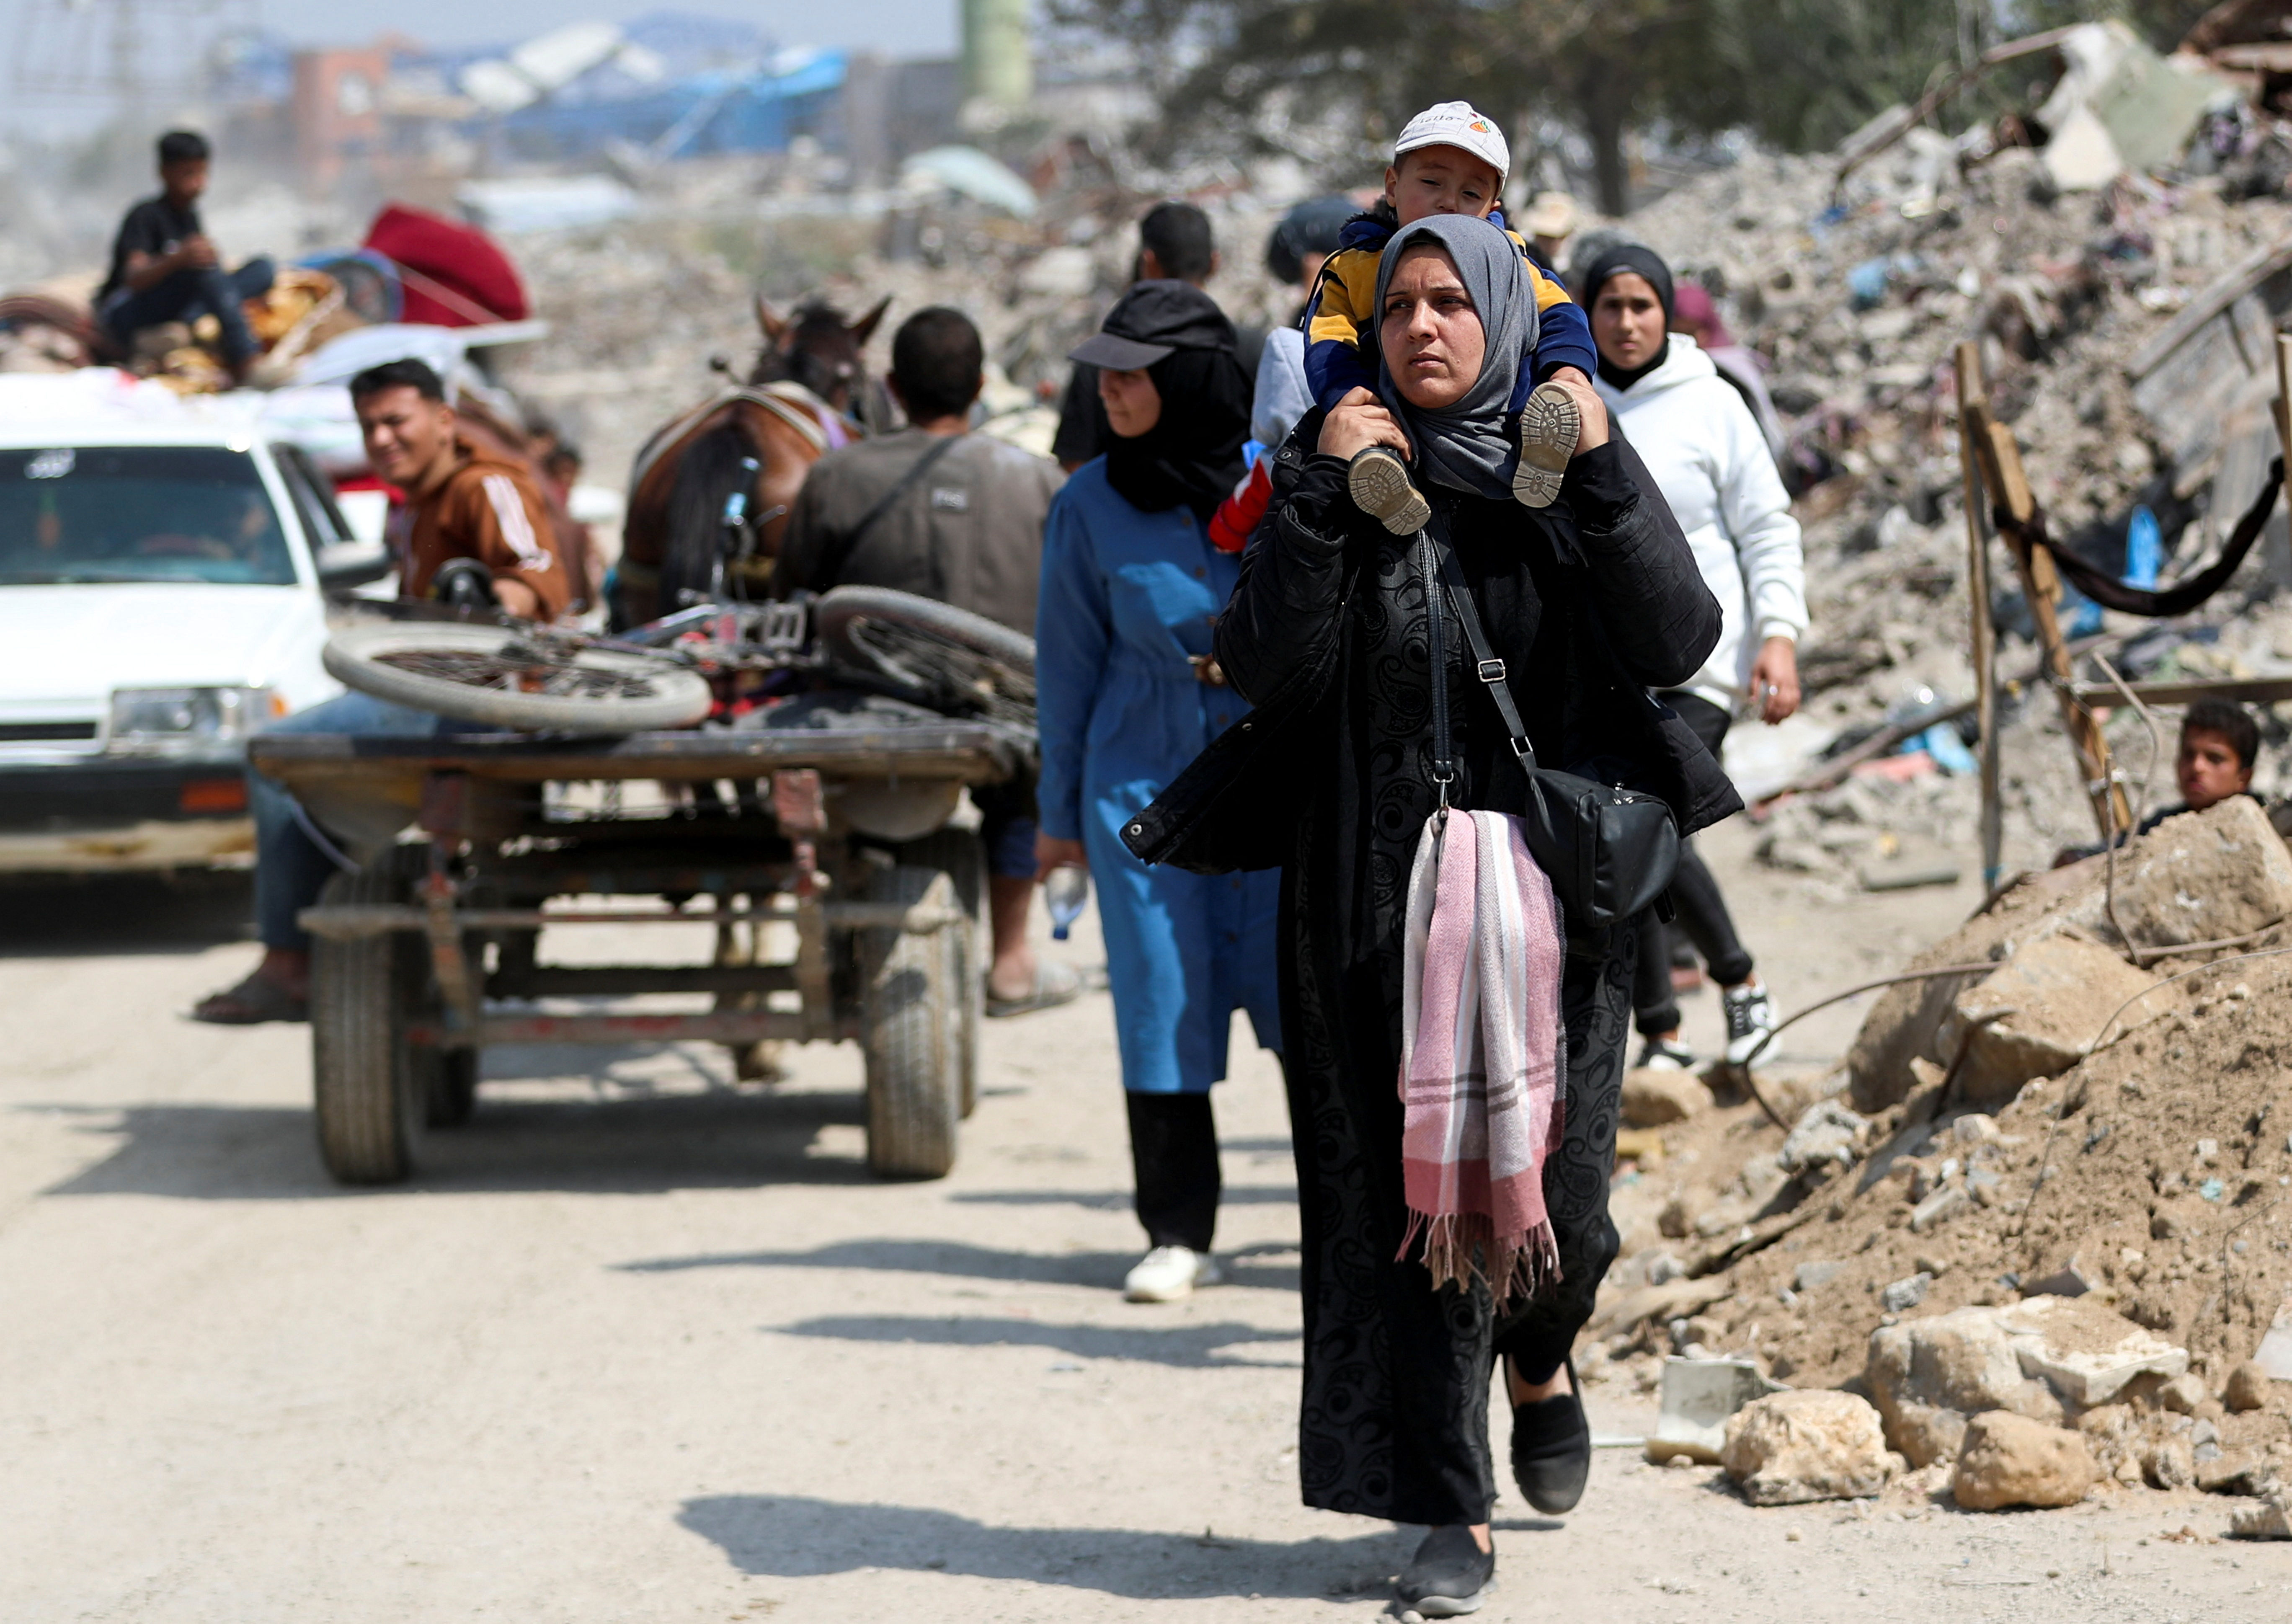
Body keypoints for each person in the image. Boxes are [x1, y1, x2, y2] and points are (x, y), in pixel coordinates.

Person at [1140, 214, 1728, 1613]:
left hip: (1550, 913)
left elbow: (1679, 640)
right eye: (1397, 304)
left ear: (1505, 321)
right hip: (1369, 900)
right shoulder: (1335, 465)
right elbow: (1262, 664)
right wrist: (1327, 493)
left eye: (1450, 302)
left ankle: (1543, 1349)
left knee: (1565, 1210)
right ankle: (1448, 1513)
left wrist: (1599, 469)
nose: (1420, 327)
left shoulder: (1559, 458)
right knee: (1411, 1217)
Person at [1032, 281, 1283, 1304]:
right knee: (1159, 997)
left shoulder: (1282, 480)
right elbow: (1065, 667)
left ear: (1190, 377)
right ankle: (1176, 1226)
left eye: (1135, 372)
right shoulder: (1085, 502)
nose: (1115, 390)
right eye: (1107, 373)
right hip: (1136, 775)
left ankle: (1343, 1224)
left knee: (1302, 1002)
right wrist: (1056, 824)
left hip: (1275, 774)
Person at [191, 359, 569, 1024]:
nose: (383, 441)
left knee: (276, 755)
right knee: (294, 747)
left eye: (397, 422)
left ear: (445, 419)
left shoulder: (486, 485)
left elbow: (537, 577)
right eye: (370, 428)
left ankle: (290, 963)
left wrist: (489, 601)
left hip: (474, 702)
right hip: (427, 695)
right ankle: (342, 899)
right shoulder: (416, 507)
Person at [778, 307, 1074, 1016]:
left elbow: (793, 594)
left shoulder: (834, 476)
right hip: (1004, 703)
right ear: (978, 386)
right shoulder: (1041, 483)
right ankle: (1010, 959)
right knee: (1025, 783)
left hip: (866, 705)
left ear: (891, 387)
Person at [1581, 245, 1804, 1073]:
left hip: (1703, 662)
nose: (1627, 322)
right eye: (1611, 306)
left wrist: (1778, 633)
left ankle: (1737, 988)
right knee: (1620, 835)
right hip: (1607, 665)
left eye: (1642, 305)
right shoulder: (1568, 402)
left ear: (1667, 312)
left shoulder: (1714, 404)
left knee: (1644, 829)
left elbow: (1767, 526)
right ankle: (1665, 1035)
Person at [1302, 101, 1599, 524]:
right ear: (1392, 186)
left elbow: (1562, 315)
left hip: (1504, 420)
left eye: (1471, 194)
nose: (1449, 203)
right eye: (1431, 182)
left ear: (1493, 208)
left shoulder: (1511, 266)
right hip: (1390, 411)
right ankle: (1383, 478)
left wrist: (1568, 374)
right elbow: (1328, 339)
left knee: (1530, 399)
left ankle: (1540, 452)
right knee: (1374, 434)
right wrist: (1347, 395)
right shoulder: (1354, 267)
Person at [1053, 202, 1254, 472]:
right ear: (1215, 263)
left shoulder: (1107, 355)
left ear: (1148, 261)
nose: (1108, 389)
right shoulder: (1250, 351)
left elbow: (1075, 462)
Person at [97, 130, 274, 382]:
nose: (198, 183)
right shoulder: (145, 215)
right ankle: (247, 360)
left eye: (202, 174)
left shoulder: (190, 216)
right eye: (188, 174)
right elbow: (134, 277)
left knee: (262, 269)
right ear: (165, 172)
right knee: (202, 270)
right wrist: (178, 259)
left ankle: (179, 332)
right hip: (131, 311)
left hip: (178, 307)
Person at [2142, 698, 2261, 831]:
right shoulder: (2160, 828)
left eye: (2215, 759)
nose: (2197, 767)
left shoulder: (2266, 829)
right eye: (2189, 755)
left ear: (2244, 778)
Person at [1520, 188, 1580, 269]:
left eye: (1560, 237)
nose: (1552, 243)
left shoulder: (1574, 267)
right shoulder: (1523, 260)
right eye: (1544, 236)